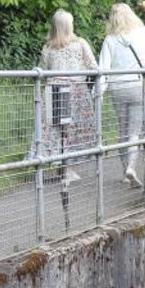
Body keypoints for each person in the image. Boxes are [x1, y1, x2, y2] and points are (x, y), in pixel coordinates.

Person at [98, 0, 145, 187]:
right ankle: (131, 168)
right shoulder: (143, 34)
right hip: (138, 86)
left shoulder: (109, 40)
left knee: (123, 130)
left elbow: (103, 69)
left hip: (118, 89)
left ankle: (125, 171)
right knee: (134, 132)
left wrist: (99, 93)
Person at [38, 10, 98, 185]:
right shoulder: (80, 44)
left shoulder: (48, 47)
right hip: (75, 90)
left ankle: (62, 167)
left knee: (57, 129)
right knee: (71, 130)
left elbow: (42, 69)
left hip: (53, 89)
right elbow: (93, 66)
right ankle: (66, 169)